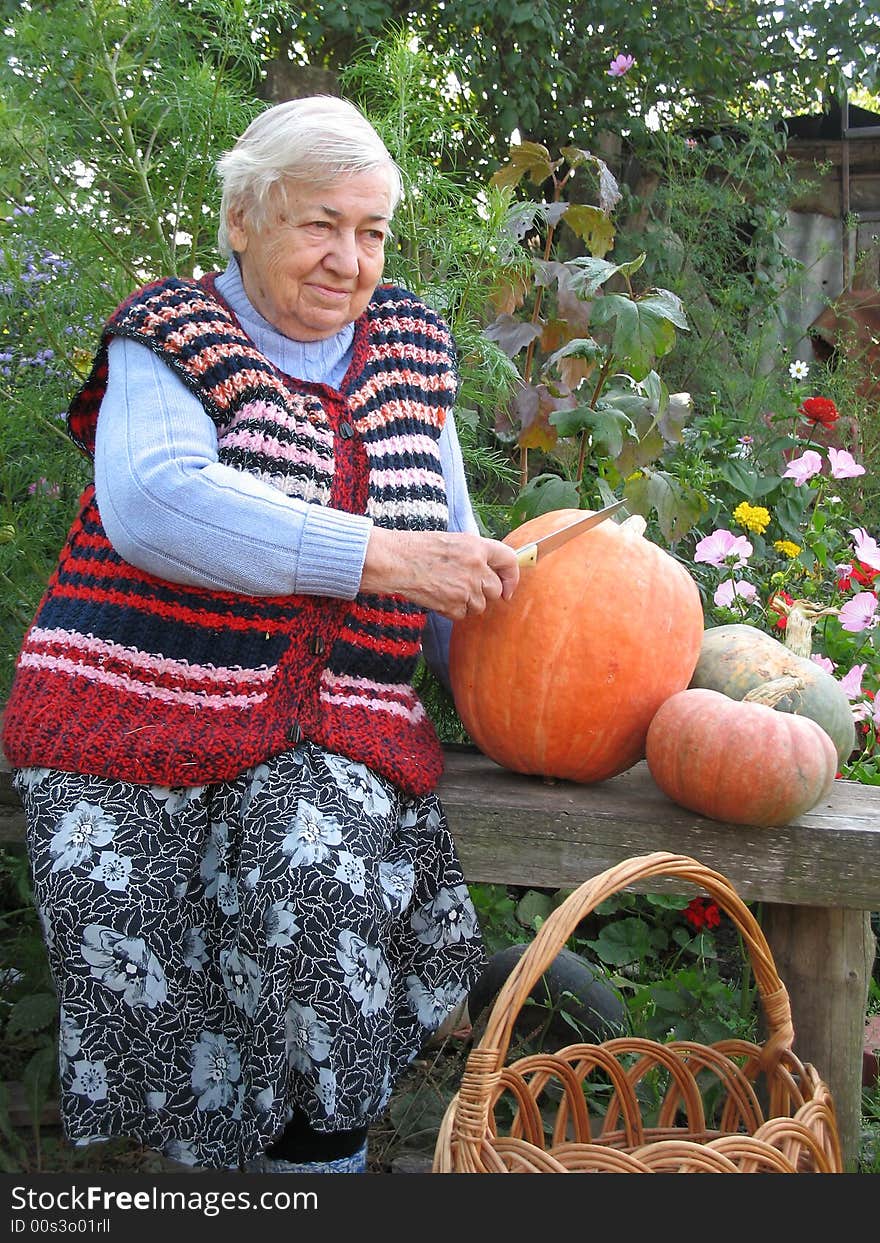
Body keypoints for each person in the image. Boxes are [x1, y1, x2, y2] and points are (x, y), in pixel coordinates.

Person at [2, 95, 520, 1174]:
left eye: (371, 231)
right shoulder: (172, 331)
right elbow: (156, 502)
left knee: (314, 866)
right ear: (242, 220)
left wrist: (545, 684)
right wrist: (376, 554)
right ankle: (206, 1180)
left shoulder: (412, 349)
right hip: (137, 698)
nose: (348, 259)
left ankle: (312, 1168)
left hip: (341, 723)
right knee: (144, 881)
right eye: (318, 224)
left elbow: (449, 552)